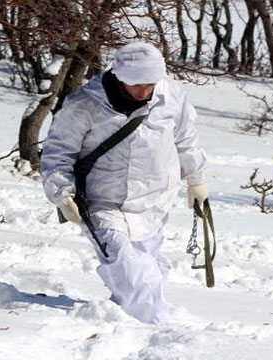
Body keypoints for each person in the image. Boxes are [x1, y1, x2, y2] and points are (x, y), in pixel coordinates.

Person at [40, 42, 208, 324]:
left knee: (148, 265)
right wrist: (62, 193)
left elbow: (185, 141)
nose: (144, 91)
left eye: (150, 84)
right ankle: (153, 325)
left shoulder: (172, 96)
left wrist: (196, 180)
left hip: (154, 200)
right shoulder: (85, 104)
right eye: (136, 84)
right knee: (126, 265)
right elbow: (58, 153)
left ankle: (126, 320)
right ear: (119, 76)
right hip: (103, 202)